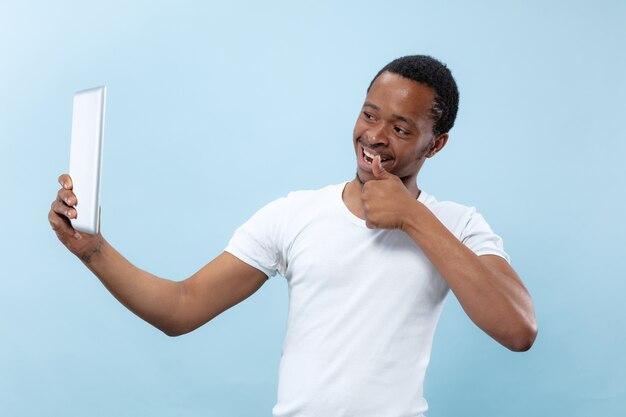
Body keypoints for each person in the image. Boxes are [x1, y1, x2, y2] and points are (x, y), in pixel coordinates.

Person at [49, 55, 537, 417]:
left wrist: (413, 218)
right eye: (370, 115)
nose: (375, 137)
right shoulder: (295, 214)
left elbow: (518, 330)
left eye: (401, 127)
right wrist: (93, 251)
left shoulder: (456, 225)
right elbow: (181, 308)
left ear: (437, 143)